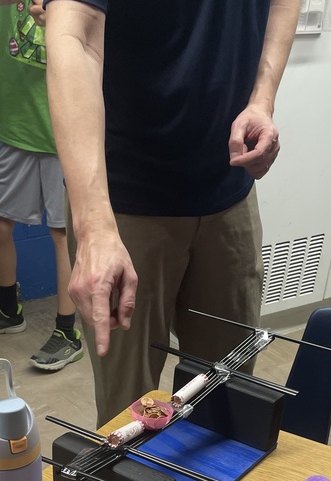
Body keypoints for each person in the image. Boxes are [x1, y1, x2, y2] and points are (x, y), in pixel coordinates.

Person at [43, 0, 300, 427]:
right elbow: (76, 35)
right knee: (131, 414)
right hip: (124, 207)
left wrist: (262, 99)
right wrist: (93, 228)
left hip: (228, 190)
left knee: (228, 396)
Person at [0, 0, 82, 374]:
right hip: (17, 126)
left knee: (63, 234)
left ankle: (68, 332)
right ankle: (8, 309)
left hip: (63, 130)